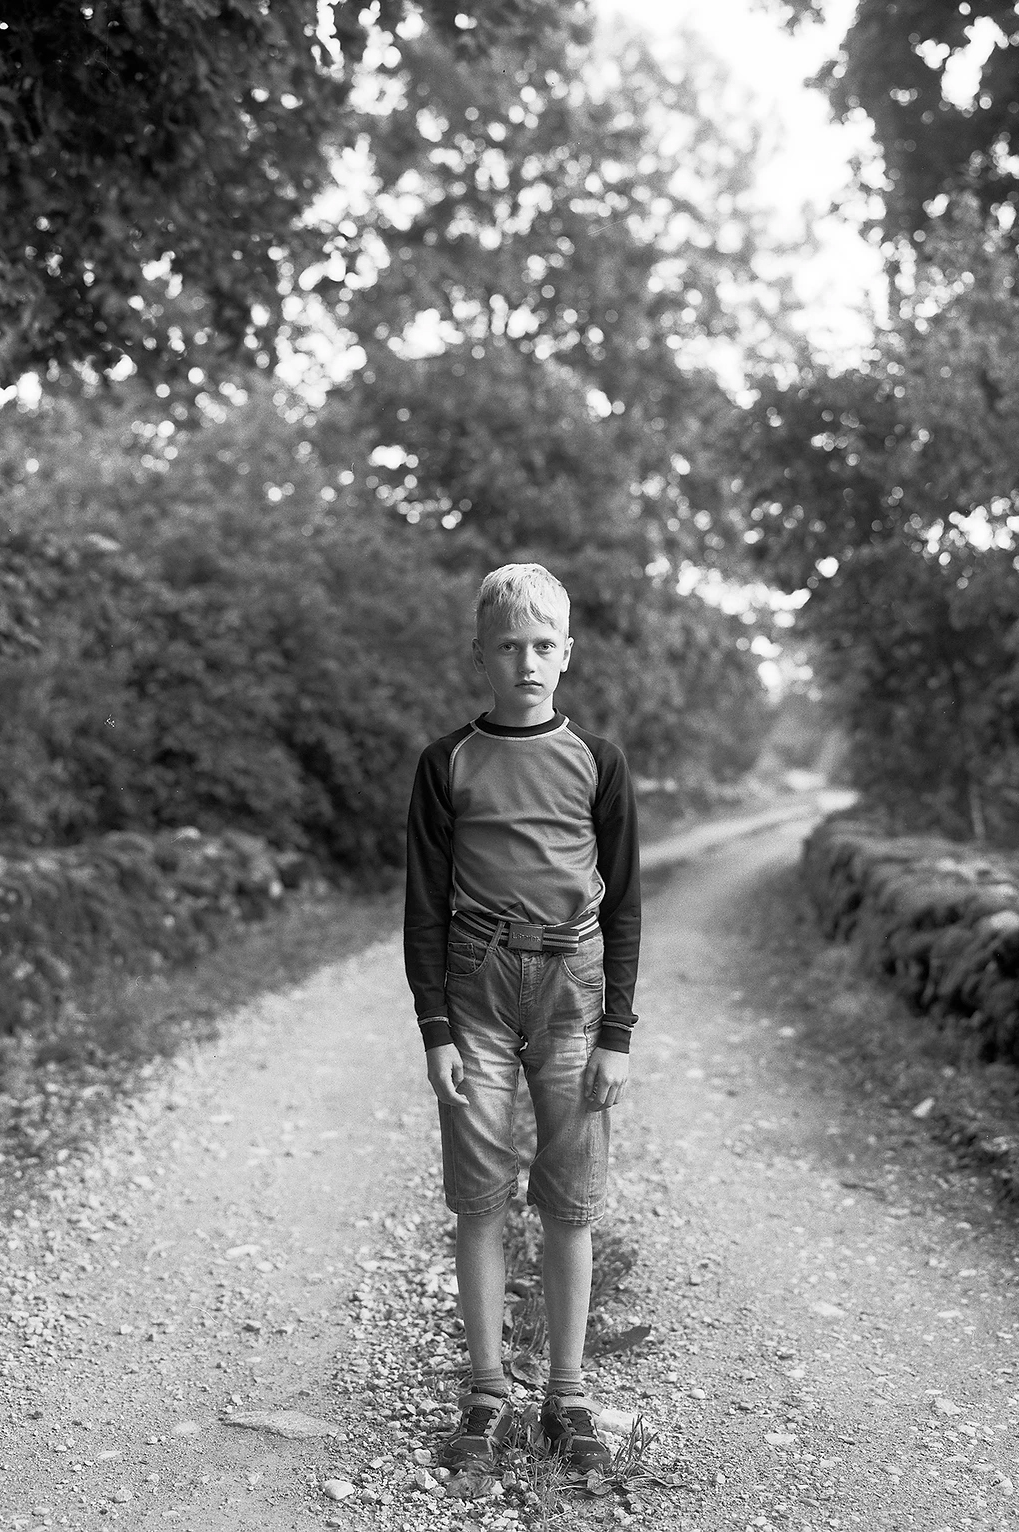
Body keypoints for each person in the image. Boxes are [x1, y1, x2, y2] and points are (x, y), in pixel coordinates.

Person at [404, 562, 641, 1473]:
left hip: (573, 985)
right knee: (480, 1193)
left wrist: (618, 1032)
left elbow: (622, 905)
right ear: (481, 657)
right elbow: (424, 907)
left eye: (544, 646)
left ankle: (569, 1395)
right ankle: (487, 1388)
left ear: (568, 654)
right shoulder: (448, 763)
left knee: (571, 1195)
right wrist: (435, 1030)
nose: (527, 661)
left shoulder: (598, 763)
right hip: (477, 984)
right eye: (508, 646)